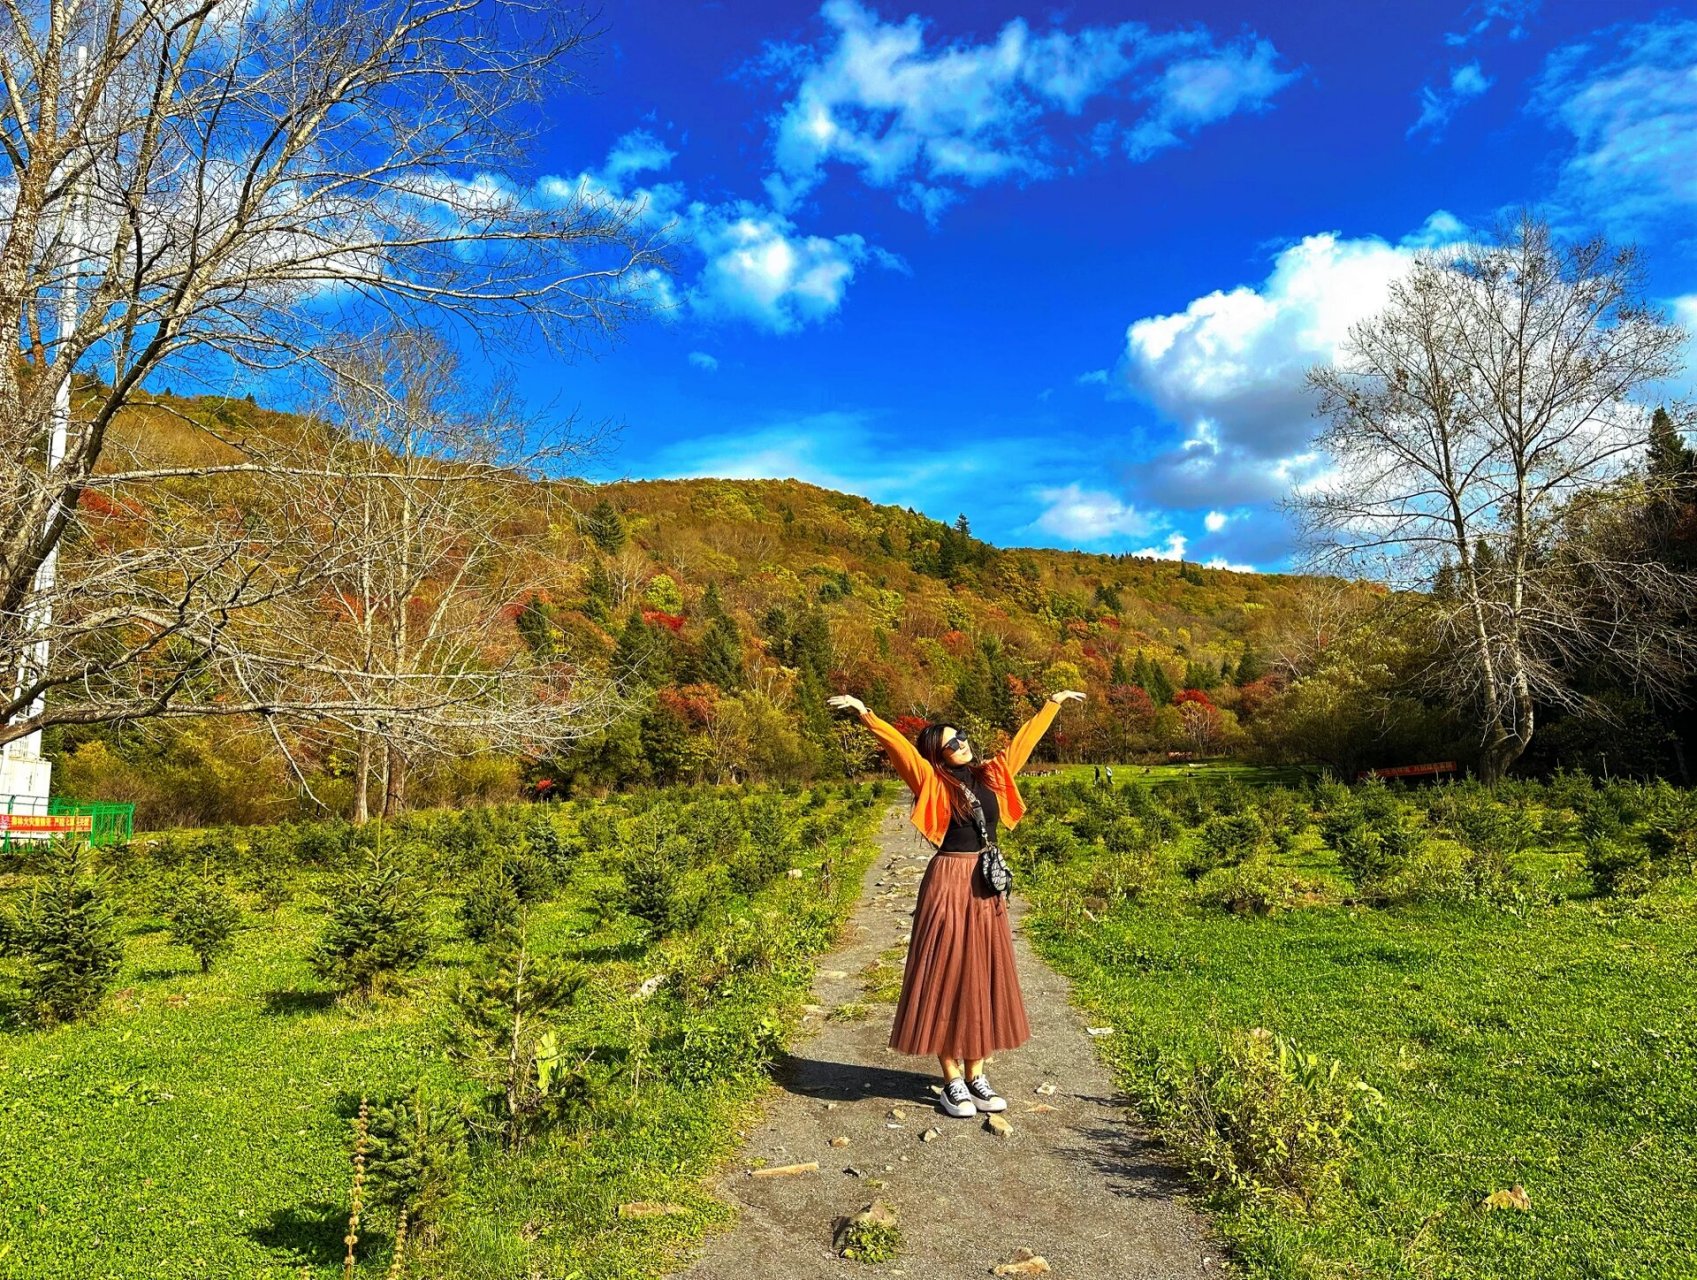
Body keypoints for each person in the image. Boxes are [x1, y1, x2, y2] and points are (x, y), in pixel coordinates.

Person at [827, 689, 1085, 1118]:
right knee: (947, 975)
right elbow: (902, 750)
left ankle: (977, 1075)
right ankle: (951, 1082)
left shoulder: (992, 775)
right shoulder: (931, 781)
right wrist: (865, 713)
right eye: (951, 742)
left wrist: (1051, 704)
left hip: (985, 884)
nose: (962, 743)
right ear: (938, 755)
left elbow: (1023, 742)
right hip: (948, 880)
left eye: (962, 736)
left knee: (982, 974)